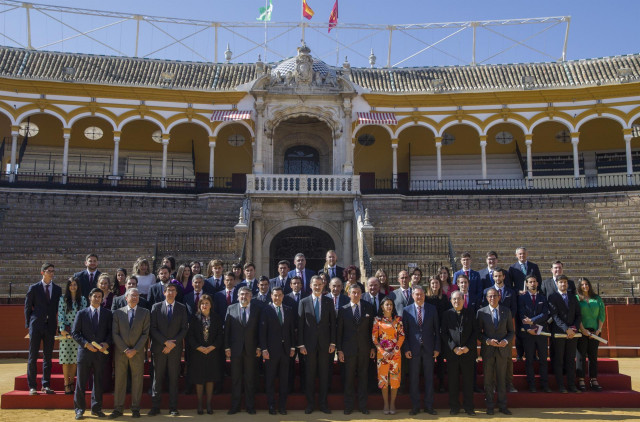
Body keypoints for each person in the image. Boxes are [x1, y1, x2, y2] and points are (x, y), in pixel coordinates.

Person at [109, 288, 150, 419]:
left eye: (137, 296)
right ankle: (118, 408)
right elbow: (115, 333)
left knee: (137, 380)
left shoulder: (145, 312)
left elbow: (145, 334)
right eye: (132, 295)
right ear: (126, 298)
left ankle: (136, 408)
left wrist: (135, 349)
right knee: (120, 380)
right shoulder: (117, 313)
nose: (135, 297)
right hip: (121, 353)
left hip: (137, 353)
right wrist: (125, 349)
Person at [72, 288, 113, 420]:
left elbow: (111, 333)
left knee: (98, 382)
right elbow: (75, 333)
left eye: (99, 296)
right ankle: (79, 410)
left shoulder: (108, 314)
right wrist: (86, 344)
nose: (97, 298)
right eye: (94, 296)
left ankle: (96, 409)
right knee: (81, 383)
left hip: (100, 354)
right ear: (90, 297)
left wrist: (106, 343)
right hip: (85, 353)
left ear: (102, 299)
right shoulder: (81, 313)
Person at [298, 275, 336, 414]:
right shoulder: (303, 302)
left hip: (325, 345)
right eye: (315, 284)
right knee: (310, 375)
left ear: (323, 286)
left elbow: (333, 323)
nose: (317, 287)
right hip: (309, 346)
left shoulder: (328, 301)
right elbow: (300, 324)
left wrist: (333, 342)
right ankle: (310, 404)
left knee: (324, 375)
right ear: (310, 286)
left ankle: (323, 404)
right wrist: (301, 344)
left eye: (320, 284)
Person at [148, 283, 188, 416]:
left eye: (173, 290)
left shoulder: (182, 308)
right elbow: (152, 328)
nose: (170, 293)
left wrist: (172, 344)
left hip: (175, 350)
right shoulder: (156, 307)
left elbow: (184, 328)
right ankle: (155, 406)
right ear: (164, 293)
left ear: (176, 293)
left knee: (173, 378)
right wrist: (165, 342)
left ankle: (173, 407)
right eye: (168, 290)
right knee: (157, 379)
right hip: (159, 348)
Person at [337, 284, 375, 415]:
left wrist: (372, 348)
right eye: (353, 292)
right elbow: (339, 332)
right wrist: (340, 350)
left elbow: (372, 330)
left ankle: (363, 405)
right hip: (348, 350)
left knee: (363, 378)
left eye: (358, 292)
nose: (356, 295)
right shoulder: (343, 309)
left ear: (361, 294)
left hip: (364, 349)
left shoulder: (368, 307)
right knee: (349, 379)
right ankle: (349, 406)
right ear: (349, 294)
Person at [25, 262, 62, 395]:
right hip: (36, 326)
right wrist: (28, 325)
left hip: (50, 326)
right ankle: (32, 386)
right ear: (42, 272)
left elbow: (60, 309)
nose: (51, 273)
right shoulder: (34, 288)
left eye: (53, 271)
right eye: (49, 270)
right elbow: (28, 307)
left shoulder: (58, 289)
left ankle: (45, 384)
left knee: (48, 356)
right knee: (33, 356)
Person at [402, 285, 440, 416]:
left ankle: (429, 406)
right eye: (417, 294)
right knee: (414, 379)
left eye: (421, 294)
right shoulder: (406, 311)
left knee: (429, 378)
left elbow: (437, 331)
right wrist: (406, 348)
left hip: (429, 349)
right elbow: (404, 332)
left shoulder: (432, 309)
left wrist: (436, 347)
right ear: (412, 296)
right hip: (413, 350)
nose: (419, 297)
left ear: (425, 295)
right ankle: (415, 406)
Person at [477, 287, 514, 415]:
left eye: (495, 296)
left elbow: (511, 332)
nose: (492, 298)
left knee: (501, 379)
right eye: (490, 296)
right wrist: (487, 341)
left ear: (499, 297)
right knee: (488, 379)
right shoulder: (481, 312)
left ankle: (503, 405)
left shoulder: (506, 311)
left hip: (503, 351)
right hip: (488, 351)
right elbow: (478, 333)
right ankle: (490, 406)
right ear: (487, 298)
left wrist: (506, 341)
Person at [225, 286, 262, 414]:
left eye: (246, 294)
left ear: (251, 297)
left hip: (251, 350)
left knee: (250, 379)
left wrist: (259, 347)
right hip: (235, 350)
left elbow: (260, 331)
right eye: (241, 294)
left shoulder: (257, 310)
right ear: (237, 296)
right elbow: (227, 331)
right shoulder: (231, 309)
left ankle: (250, 406)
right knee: (235, 379)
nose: (243, 297)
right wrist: (227, 347)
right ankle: (235, 406)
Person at [260, 286, 296, 415]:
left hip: (286, 351)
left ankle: (282, 406)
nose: (277, 297)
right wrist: (264, 349)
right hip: (271, 351)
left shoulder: (288, 310)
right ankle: (271, 405)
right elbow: (262, 332)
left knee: (284, 380)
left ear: (283, 296)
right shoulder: (266, 310)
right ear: (271, 296)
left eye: (279, 295)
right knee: (270, 380)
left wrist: (292, 347)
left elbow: (292, 330)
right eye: (275, 295)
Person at [481, 267, 518, 392]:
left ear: (504, 277)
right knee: (490, 364)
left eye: (500, 276)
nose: (498, 278)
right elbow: (484, 308)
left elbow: (514, 308)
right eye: (495, 276)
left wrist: (505, 320)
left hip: (505, 328)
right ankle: (493, 386)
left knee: (507, 362)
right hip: (491, 329)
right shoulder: (486, 291)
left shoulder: (510, 291)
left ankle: (509, 384)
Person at [441, 291, 478, 416]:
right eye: (454, 299)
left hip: (468, 353)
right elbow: (444, 333)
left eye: (459, 299)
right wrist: (454, 348)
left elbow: (475, 332)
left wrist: (468, 347)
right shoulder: (446, 315)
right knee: (453, 382)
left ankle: (469, 407)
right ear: (451, 301)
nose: (457, 301)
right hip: (453, 354)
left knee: (468, 382)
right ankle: (454, 407)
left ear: (463, 300)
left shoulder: (471, 313)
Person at [187, 294, 223, 414]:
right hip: (198, 353)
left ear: (211, 305)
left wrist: (212, 347)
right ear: (199, 305)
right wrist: (199, 347)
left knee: (210, 379)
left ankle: (208, 404)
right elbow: (190, 336)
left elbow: (220, 335)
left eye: (207, 303)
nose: (204, 305)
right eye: (202, 303)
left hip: (212, 353)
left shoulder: (216, 318)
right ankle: (200, 405)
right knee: (199, 379)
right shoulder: (194, 318)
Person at [548, 275, 582, 393]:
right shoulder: (552, 297)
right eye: (561, 282)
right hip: (559, 333)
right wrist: (566, 329)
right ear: (557, 284)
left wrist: (574, 328)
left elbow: (578, 315)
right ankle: (561, 386)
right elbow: (555, 316)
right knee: (559, 360)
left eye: (565, 282)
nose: (563, 284)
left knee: (570, 360)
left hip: (572, 333)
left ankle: (572, 385)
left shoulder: (573, 297)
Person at [518, 275, 551, 393]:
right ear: (526, 284)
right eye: (530, 282)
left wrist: (532, 321)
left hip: (541, 332)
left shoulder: (543, 297)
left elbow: (545, 314)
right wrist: (528, 328)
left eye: (534, 281)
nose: (532, 284)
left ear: (537, 283)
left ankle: (544, 385)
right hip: (528, 334)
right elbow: (521, 314)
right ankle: (531, 385)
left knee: (543, 359)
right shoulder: (522, 298)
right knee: (529, 360)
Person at [372, 297, 405, 415]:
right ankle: (386, 404)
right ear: (382, 307)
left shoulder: (398, 320)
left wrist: (394, 350)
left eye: (391, 304)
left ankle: (393, 404)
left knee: (395, 379)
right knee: (383, 380)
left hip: (395, 355)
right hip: (382, 355)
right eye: (387, 304)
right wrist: (383, 351)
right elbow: (374, 338)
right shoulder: (377, 320)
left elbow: (401, 336)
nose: (389, 306)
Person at [58, 276, 87, 394]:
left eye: (75, 284)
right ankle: (66, 383)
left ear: (78, 286)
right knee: (66, 359)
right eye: (71, 285)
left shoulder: (83, 299)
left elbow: (84, 315)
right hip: (66, 332)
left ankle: (72, 382)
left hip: (78, 333)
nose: (73, 287)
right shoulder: (63, 299)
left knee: (75, 359)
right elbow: (61, 314)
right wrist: (62, 328)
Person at [576, 277, 606, 392]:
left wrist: (599, 329)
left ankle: (593, 379)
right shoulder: (577, 298)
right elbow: (577, 316)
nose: (585, 286)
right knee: (581, 356)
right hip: (581, 332)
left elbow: (602, 315)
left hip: (595, 332)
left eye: (586, 284)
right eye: (582, 285)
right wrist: (583, 330)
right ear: (579, 286)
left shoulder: (597, 298)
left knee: (593, 356)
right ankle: (581, 379)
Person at [425, 275, 451, 393]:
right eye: (433, 283)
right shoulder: (426, 298)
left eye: (437, 283)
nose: (435, 285)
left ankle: (441, 383)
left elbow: (447, 315)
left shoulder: (444, 298)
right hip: (429, 332)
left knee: (440, 359)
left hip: (441, 332)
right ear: (430, 285)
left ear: (440, 285)